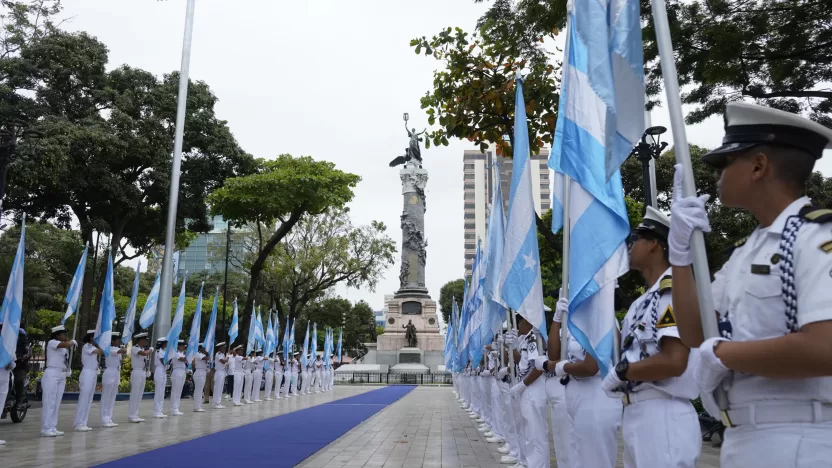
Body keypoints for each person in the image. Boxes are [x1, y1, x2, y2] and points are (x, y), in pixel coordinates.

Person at [669, 102, 832, 466]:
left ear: (758, 166)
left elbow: (825, 348)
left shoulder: (816, 239)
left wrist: (723, 355)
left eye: (727, 162)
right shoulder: (747, 252)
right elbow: (694, 333)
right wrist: (679, 255)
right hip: (745, 436)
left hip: (801, 436)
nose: (718, 175)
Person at [600, 206, 700, 467]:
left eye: (635, 239)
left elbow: (674, 361)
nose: (630, 246)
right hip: (638, 412)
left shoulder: (673, 291)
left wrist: (623, 372)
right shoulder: (642, 302)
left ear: (654, 244)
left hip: (664, 412)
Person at [536, 293, 620, 468]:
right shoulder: (573, 324)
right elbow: (553, 354)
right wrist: (557, 319)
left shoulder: (602, 318)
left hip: (597, 393)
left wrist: (562, 367)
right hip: (574, 393)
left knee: (595, 459)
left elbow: (591, 367)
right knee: (577, 455)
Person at [508, 315, 548, 468]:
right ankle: (528, 462)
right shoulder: (526, 339)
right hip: (528, 386)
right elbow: (523, 363)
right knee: (528, 430)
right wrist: (511, 346)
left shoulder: (535, 338)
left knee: (535, 432)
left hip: (533, 387)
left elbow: (538, 367)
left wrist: (522, 385)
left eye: (521, 322)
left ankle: (538, 465)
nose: (519, 326)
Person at [41, 325, 77, 437]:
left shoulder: (64, 348)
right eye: (64, 334)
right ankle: (45, 428)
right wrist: (71, 342)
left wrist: (67, 369)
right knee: (49, 402)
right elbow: (65, 344)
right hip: (51, 373)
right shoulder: (52, 342)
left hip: (61, 374)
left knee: (56, 403)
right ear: (57, 335)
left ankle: (52, 426)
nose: (66, 336)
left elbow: (64, 359)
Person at [73, 330, 102, 432]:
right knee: (84, 398)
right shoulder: (87, 346)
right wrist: (104, 343)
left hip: (93, 373)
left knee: (89, 399)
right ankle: (78, 423)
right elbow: (100, 351)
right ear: (91, 338)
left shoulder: (92, 346)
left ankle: (83, 422)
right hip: (87, 373)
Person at [100, 333, 126, 427]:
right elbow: (123, 350)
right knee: (106, 397)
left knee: (112, 397)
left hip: (116, 372)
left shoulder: (117, 349)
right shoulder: (110, 348)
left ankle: (109, 417)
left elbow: (120, 359)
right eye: (117, 340)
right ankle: (104, 418)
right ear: (113, 341)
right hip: (110, 371)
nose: (119, 342)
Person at [128, 333, 153, 423]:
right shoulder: (135, 348)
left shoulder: (142, 349)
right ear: (140, 340)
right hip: (136, 371)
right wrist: (150, 350)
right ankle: (131, 415)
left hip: (142, 372)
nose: (146, 341)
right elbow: (143, 353)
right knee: (135, 394)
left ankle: (135, 414)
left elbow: (146, 359)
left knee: (140, 394)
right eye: (145, 340)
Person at [168, 340, 187, 416]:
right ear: (178, 346)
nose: (184, 347)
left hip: (182, 371)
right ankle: (173, 408)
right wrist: (189, 355)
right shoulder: (175, 353)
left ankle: (176, 408)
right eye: (182, 346)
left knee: (179, 391)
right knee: (175, 391)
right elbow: (183, 359)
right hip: (177, 371)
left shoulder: (182, 353)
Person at [152, 338, 169, 418]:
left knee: (162, 392)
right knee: (158, 392)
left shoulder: (164, 352)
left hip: (163, 371)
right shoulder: (159, 352)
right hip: (159, 370)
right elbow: (164, 361)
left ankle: (160, 411)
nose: (166, 344)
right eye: (165, 343)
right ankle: (156, 411)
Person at [192, 343, 209, 412]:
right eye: (203, 348)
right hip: (199, 372)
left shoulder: (202, 354)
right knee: (198, 391)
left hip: (202, 372)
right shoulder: (198, 354)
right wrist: (207, 353)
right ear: (200, 348)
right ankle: (197, 407)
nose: (205, 349)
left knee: (200, 390)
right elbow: (206, 358)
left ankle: (198, 406)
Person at [211, 342, 228, 409]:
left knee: (220, 388)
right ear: (220, 348)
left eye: (225, 348)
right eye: (223, 348)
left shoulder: (223, 355)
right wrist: (227, 358)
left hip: (222, 372)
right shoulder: (218, 354)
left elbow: (224, 363)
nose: (224, 349)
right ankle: (215, 403)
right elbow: (223, 361)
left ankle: (218, 402)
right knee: (217, 388)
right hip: (218, 372)